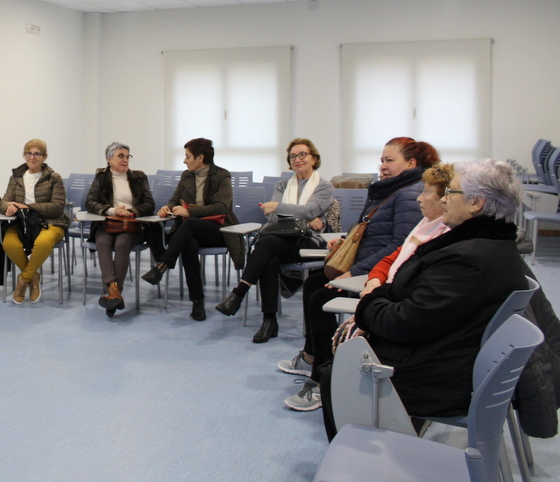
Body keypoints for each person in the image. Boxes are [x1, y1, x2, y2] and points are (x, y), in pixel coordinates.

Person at [323, 159, 528, 438]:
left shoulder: (467, 259)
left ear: (476, 203)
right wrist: (383, 295)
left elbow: (405, 322)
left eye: (451, 193)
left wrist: (371, 301)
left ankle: (364, 456)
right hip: (452, 358)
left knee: (334, 373)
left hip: (439, 377)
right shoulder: (492, 246)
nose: (444, 200)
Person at [278, 137, 438, 412]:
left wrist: (356, 271)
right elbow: (369, 231)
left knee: (320, 298)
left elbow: (399, 247)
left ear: (411, 163)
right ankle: (311, 356)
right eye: (382, 160)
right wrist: (344, 242)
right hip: (366, 265)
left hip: (379, 274)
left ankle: (323, 380)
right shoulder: (389, 190)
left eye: (390, 160)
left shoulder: (408, 194)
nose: (383, 165)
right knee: (314, 285)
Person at [215, 139, 333, 343]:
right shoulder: (282, 185)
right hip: (281, 240)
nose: (297, 159)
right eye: (293, 156)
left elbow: (308, 210)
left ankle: (240, 293)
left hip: (308, 242)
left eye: (302, 154)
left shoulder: (324, 187)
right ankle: (269, 321)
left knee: (266, 244)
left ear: (314, 158)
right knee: (269, 258)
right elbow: (271, 218)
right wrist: (303, 217)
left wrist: (278, 207)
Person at [141, 138, 238, 321]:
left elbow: (221, 207)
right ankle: (197, 303)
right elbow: (175, 199)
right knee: (188, 244)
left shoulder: (222, 175)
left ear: (200, 158)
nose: (184, 161)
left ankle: (162, 265)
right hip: (189, 231)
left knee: (190, 223)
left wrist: (190, 211)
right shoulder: (187, 176)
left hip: (216, 230)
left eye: (188, 156)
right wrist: (167, 207)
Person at [84, 142, 155, 316]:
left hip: (132, 226)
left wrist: (133, 211)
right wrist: (111, 210)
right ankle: (114, 292)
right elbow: (90, 202)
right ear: (109, 159)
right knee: (102, 242)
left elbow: (149, 203)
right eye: (120, 156)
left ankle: (114, 292)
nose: (125, 160)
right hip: (107, 224)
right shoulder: (101, 177)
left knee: (122, 243)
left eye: (127, 156)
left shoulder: (138, 177)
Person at [0, 139, 69, 304]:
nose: (32, 157)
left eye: (37, 154)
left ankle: (24, 280)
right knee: (8, 244)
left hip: (51, 222)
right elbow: (4, 201)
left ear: (44, 157)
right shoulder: (16, 177)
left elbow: (58, 206)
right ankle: (33, 277)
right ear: (24, 155)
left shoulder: (54, 178)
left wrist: (28, 207)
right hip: (22, 223)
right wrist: (8, 208)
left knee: (43, 243)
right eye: (29, 153)